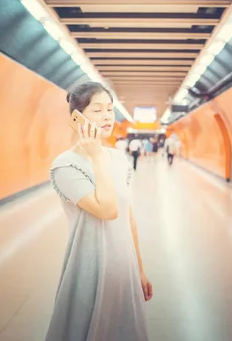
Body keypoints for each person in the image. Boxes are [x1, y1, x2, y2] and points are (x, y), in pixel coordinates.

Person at [46, 82, 152, 341]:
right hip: (89, 265)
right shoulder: (65, 165)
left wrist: (139, 268)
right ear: (76, 117)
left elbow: (127, 216)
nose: (107, 116)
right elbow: (107, 210)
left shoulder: (119, 158)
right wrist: (96, 157)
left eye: (110, 109)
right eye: (97, 110)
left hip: (122, 265)